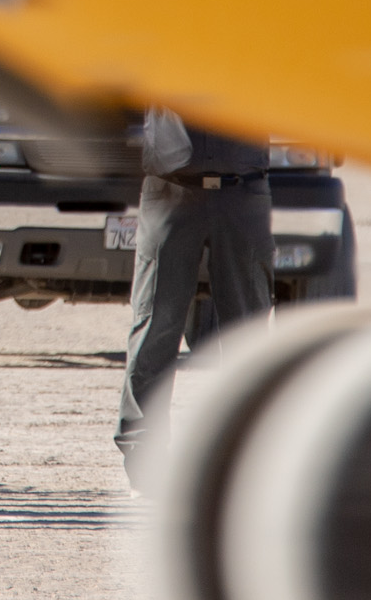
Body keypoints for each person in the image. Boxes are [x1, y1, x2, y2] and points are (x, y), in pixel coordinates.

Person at [112, 108, 273, 482]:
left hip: (243, 190)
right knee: (156, 325)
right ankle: (143, 456)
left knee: (248, 333)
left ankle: (248, 454)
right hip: (170, 190)